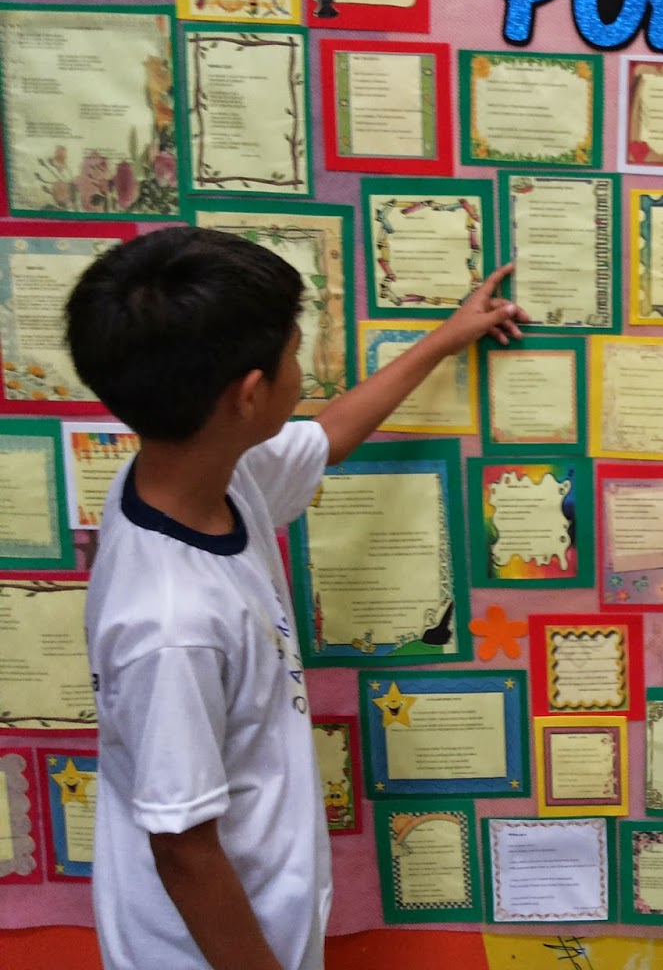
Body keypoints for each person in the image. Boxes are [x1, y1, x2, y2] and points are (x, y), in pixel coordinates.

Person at [68, 226, 526, 970]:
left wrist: (445, 340)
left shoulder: (196, 474)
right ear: (250, 396)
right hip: (204, 955)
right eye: (293, 357)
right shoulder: (172, 624)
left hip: (261, 922)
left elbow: (325, 436)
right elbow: (182, 849)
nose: (303, 370)